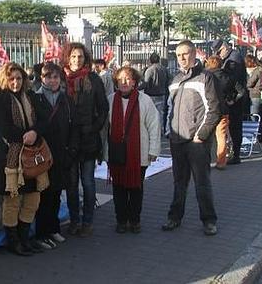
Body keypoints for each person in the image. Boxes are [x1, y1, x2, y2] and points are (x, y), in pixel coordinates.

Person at [162, 40, 221, 236]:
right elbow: (169, 108)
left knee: (202, 183)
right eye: (178, 55)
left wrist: (201, 135)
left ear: (194, 54)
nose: (182, 58)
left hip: (197, 142)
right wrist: (169, 132)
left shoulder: (206, 78)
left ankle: (209, 220)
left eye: (185, 54)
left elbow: (214, 110)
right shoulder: (175, 79)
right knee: (179, 182)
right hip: (177, 140)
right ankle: (174, 217)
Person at [0, 62, 48, 256]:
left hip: (33, 158)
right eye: (11, 78)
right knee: (13, 202)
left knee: (33, 199)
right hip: (10, 159)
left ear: (24, 80)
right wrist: (27, 135)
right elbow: (4, 129)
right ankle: (13, 242)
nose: (15, 82)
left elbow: (44, 120)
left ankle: (25, 239)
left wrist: (35, 132)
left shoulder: (31, 97)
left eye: (19, 78)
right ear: (4, 80)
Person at [105, 66, 160, 234]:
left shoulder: (145, 100)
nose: (124, 82)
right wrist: (104, 153)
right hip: (116, 153)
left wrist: (153, 150)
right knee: (119, 188)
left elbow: (154, 126)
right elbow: (105, 128)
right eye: (120, 79)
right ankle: (121, 220)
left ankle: (135, 220)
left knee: (136, 188)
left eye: (128, 79)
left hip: (139, 154)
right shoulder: (110, 100)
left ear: (134, 81)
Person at [62, 42, 108, 237]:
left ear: (85, 58)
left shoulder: (93, 79)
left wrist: (94, 128)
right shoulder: (62, 78)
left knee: (88, 182)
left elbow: (103, 108)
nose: (76, 60)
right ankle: (74, 220)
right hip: (68, 140)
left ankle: (87, 221)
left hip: (88, 139)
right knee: (71, 185)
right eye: (73, 56)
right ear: (67, 58)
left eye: (80, 57)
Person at [33, 62, 77, 249]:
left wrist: (71, 150)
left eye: (55, 77)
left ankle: (53, 229)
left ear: (60, 78)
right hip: (42, 154)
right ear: (42, 78)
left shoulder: (66, 99)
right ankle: (42, 233)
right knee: (43, 195)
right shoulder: (35, 99)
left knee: (57, 193)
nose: (52, 80)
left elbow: (74, 126)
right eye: (48, 77)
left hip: (62, 153)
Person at [205, 56, 245, 169]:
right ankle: (221, 162)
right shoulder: (229, 77)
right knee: (221, 136)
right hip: (223, 109)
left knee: (205, 137)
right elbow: (241, 91)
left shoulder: (205, 76)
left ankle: (204, 162)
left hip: (208, 110)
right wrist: (232, 100)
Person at [212, 39, 247, 165]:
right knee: (229, 128)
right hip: (230, 98)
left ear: (225, 47)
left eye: (219, 51)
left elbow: (235, 82)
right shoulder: (230, 58)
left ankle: (236, 154)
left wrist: (232, 98)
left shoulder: (234, 58)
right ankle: (231, 152)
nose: (219, 54)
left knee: (235, 127)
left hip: (235, 99)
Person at [138, 53, 169, 133]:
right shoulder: (164, 69)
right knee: (160, 114)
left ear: (150, 60)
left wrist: (136, 89)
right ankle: (161, 130)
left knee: (150, 114)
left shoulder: (150, 70)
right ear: (159, 60)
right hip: (162, 95)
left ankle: (152, 130)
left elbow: (145, 83)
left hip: (151, 95)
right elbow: (169, 80)